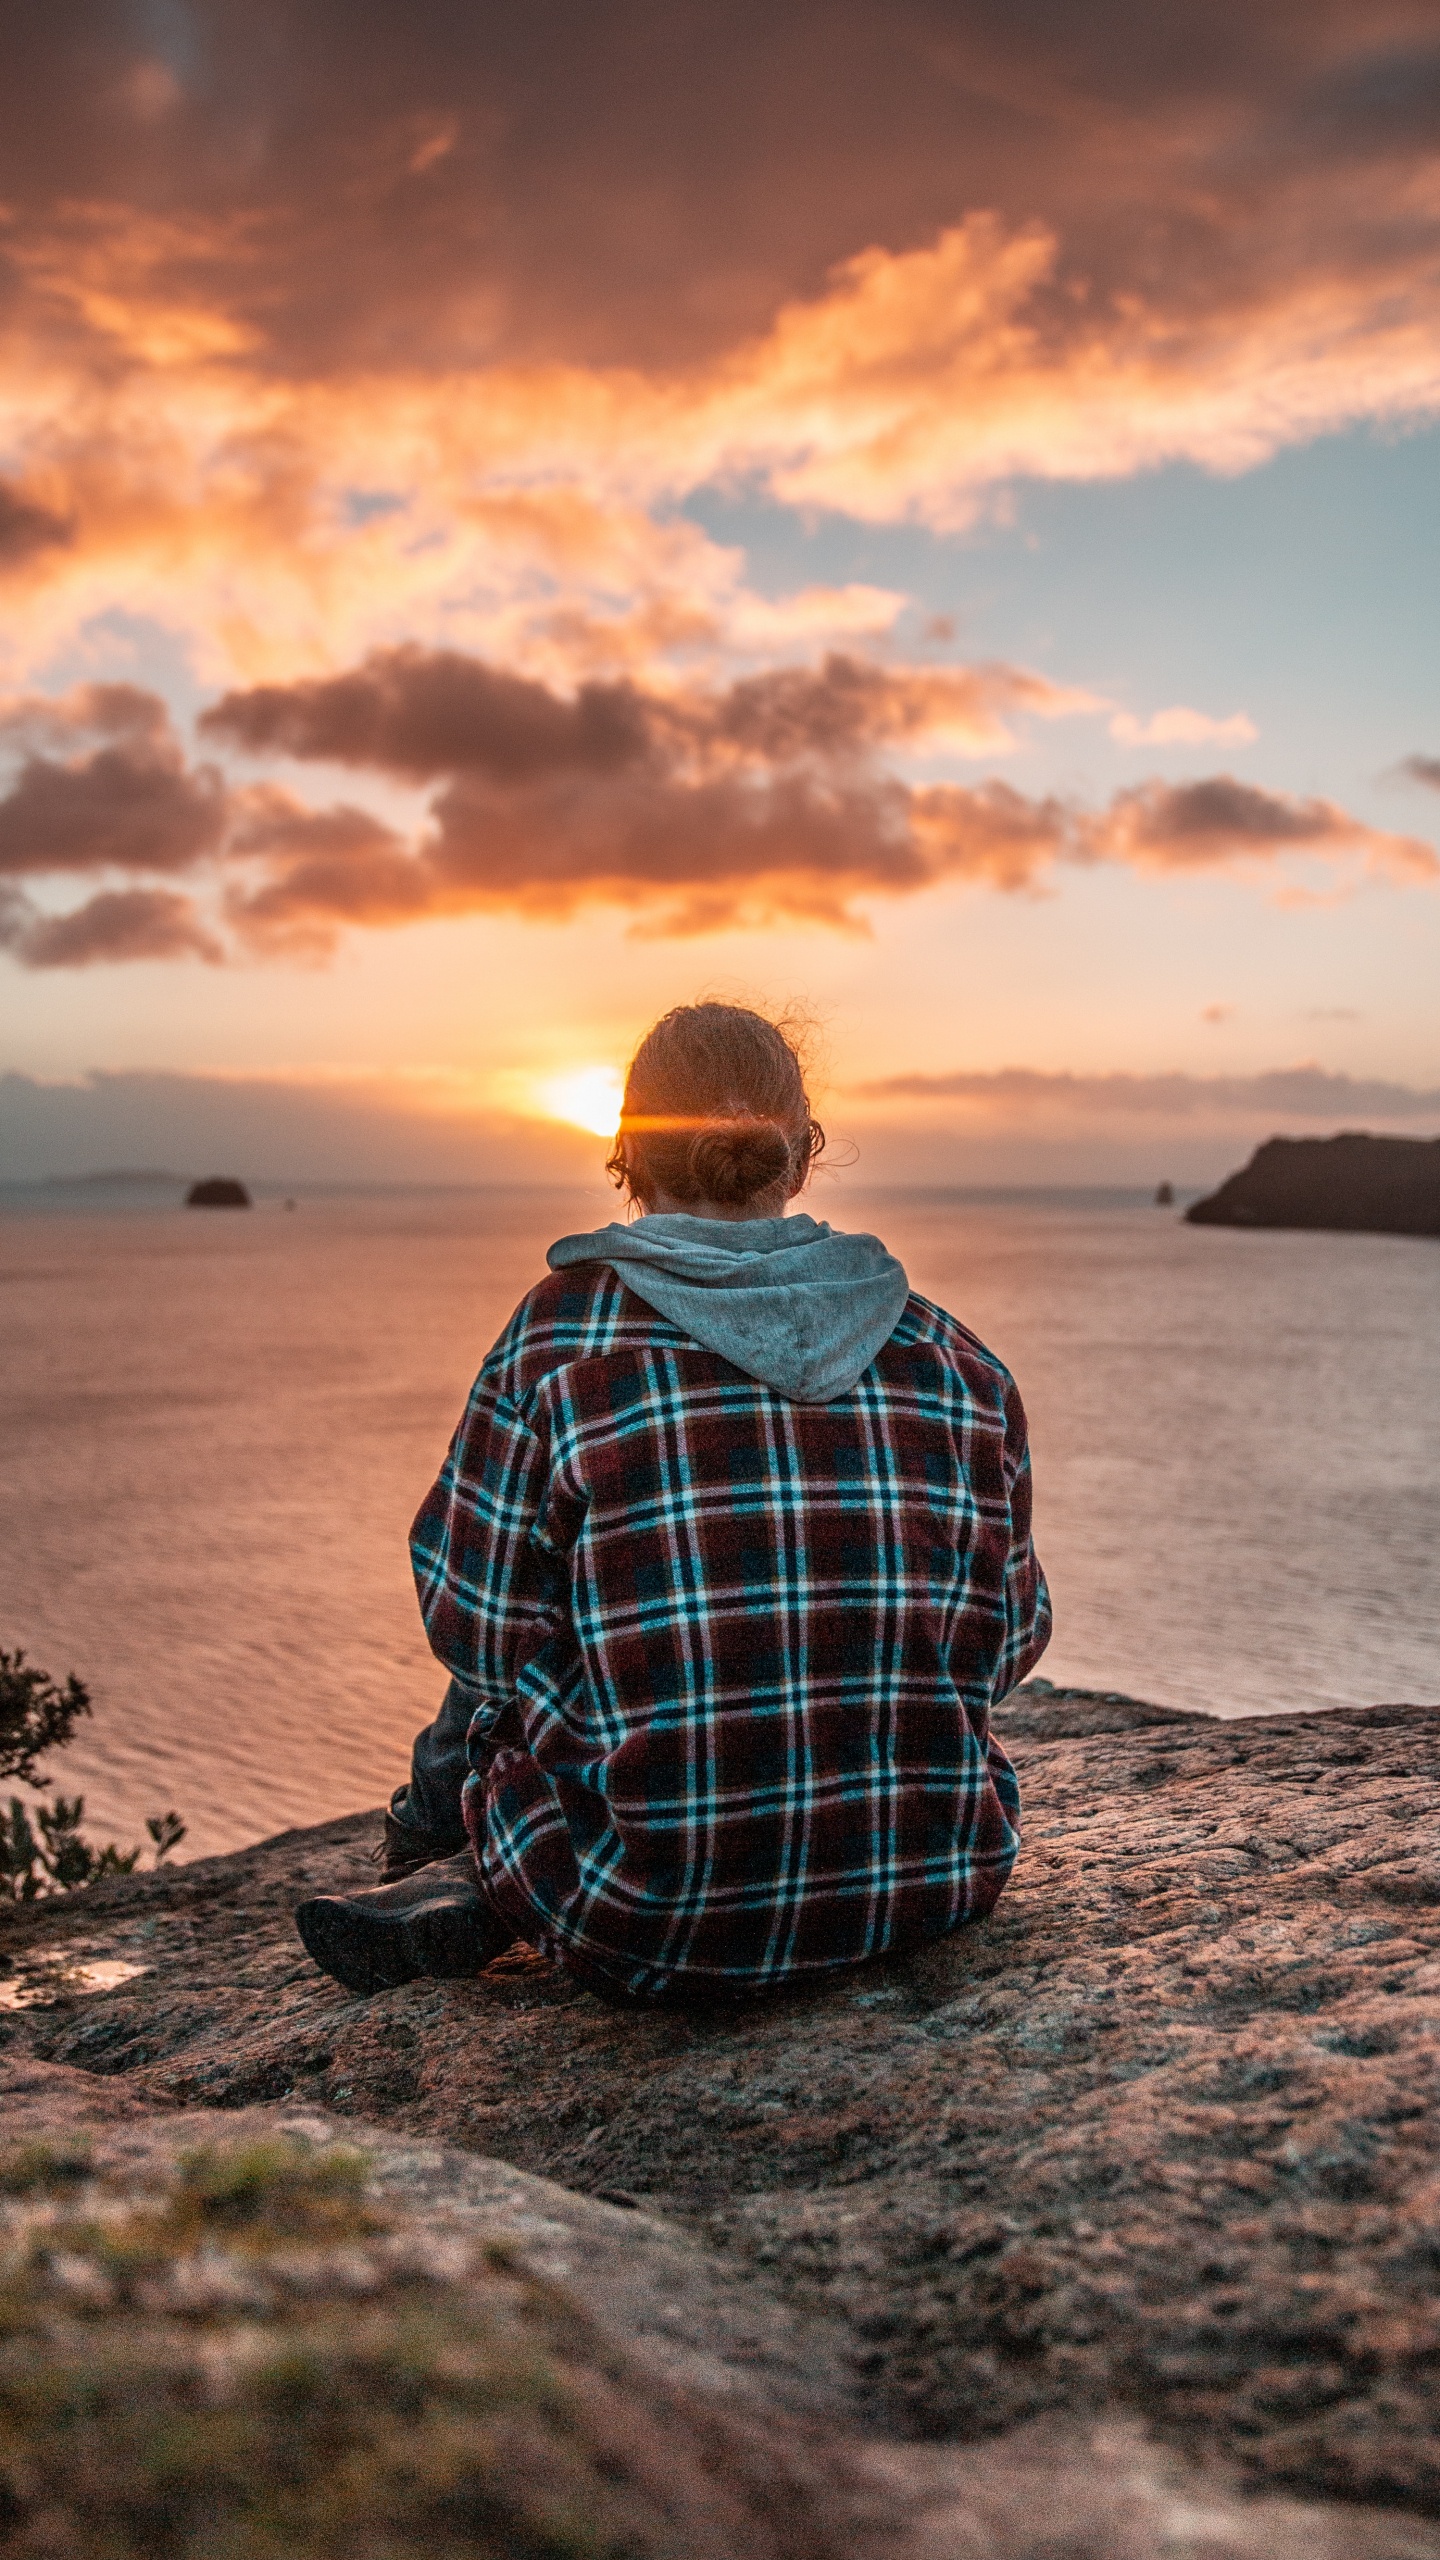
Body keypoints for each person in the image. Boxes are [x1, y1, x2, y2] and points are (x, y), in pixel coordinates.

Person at [296, 1002, 1050, 2004]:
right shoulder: (955, 1358)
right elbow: (1011, 1640)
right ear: (803, 1150)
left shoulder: (563, 1336)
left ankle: (443, 1860)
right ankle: (474, 1872)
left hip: (648, 1916)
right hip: (929, 1882)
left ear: (626, 1156)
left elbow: (476, 1633)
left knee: (520, 1627)